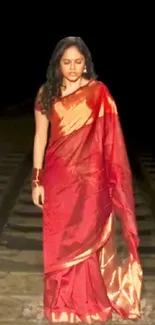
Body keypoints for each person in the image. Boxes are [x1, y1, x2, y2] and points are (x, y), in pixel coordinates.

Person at [32, 36, 143, 324]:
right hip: (58, 180)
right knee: (59, 243)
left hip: (90, 181)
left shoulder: (98, 93)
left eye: (78, 62)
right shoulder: (47, 94)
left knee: (88, 238)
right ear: (57, 64)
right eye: (66, 62)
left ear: (86, 64)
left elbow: (110, 139)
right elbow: (40, 137)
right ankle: (60, 304)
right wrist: (36, 180)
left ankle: (89, 303)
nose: (72, 67)